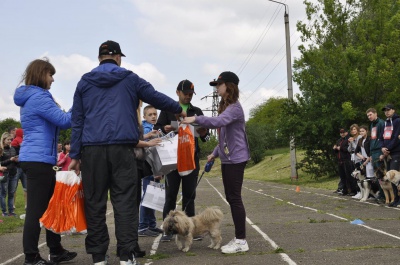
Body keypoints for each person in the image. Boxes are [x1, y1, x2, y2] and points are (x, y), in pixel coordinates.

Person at [68, 40, 185, 265]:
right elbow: (155, 96)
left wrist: (75, 154)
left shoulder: (84, 82)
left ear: (99, 58)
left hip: (92, 150)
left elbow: (77, 120)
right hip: (123, 149)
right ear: (118, 57)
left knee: (94, 203)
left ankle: (99, 257)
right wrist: (178, 108)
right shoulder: (130, 78)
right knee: (125, 203)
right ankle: (126, 255)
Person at [13, 57, 77, 265]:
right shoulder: (38, 98)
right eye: (50, 75)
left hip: (41, 158)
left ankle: (56, 250)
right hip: (37, 160)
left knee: (52, 207)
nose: (52, 80)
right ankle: (31, 257)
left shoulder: (37, 96)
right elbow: (65, 120)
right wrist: (80, 102)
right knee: (36, 211)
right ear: (41, 75)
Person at [181, 71, 250, 254]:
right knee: (231, 197)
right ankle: (239, 238)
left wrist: (195, 118)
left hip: (236, 159)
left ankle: (241, 240)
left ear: (229, 86)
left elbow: (218, 122)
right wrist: (214, 153)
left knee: (234, 198)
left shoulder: (234, 107)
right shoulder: (226, 106)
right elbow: (226, 137)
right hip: (228, 158)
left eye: (219, 85)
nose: (216, 88)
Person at [154, 79, 210, 242]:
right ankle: (167, 229)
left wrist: (204, 132)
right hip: (172, 159)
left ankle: (190, 228)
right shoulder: (167, 110)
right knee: (170, 195)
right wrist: (164, 129)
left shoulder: (196, 111)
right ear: (177, 92)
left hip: (191, 158)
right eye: (186, 94)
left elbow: (205, 137)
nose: (188, 97)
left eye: (191, 94)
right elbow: (157, 129)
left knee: (189, 195)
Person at [138, 105, 163, 237]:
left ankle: (151, 224)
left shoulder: (155, 128)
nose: (153, 116)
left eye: (155, 114)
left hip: (155, 167)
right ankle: (142, 226)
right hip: (148, 167)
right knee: (147, 196)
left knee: (153, 196)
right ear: (144, 116)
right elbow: (141, 141)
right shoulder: (144, 128)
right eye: (150, 114)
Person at [379, 104, 400, 207]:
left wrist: (389, 148)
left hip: (396, 152)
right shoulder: (384, 123)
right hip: (387, 153)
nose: (386, 112)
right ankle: (395, 199)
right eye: (385, 110)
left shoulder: (397, 121)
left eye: (388, 110)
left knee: (395, 177)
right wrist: (383, 148)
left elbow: (396, 136)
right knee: (390, 177)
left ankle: (398, 199)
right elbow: (381, 138)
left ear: (393, 110)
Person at [0, 132, 18, 217]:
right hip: (4, 174)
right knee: (3, 193)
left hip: (13, 173)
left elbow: (14, 162)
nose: (10, 141)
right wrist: (10, 160)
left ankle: (11, 212)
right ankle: (4, 212)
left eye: (11, 139)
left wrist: (16, 160)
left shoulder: (13, 149)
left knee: (11, 193)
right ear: (3, 140)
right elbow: (1, 163)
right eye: (8, 140)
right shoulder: (1, 149)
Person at [333, 128, 354, 196]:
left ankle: (352, 190)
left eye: (343, 132)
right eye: (341, 133)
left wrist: (340, 148)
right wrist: (335, 148)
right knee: (342, 177)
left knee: (349, 176)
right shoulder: (339, 140)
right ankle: (344, 190)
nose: (342, 134)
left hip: (346, 159)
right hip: (340, 160)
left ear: (346, 133)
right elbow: (336, 150)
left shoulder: (348, 140)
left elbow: (349, 149)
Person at [12, 128, 27, 212]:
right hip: (21, 166)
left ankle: (13, 205)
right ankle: (26, 205)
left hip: (18, 166)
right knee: (25, 187)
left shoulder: (14, 141)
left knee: (14, 188)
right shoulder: (19, 141)